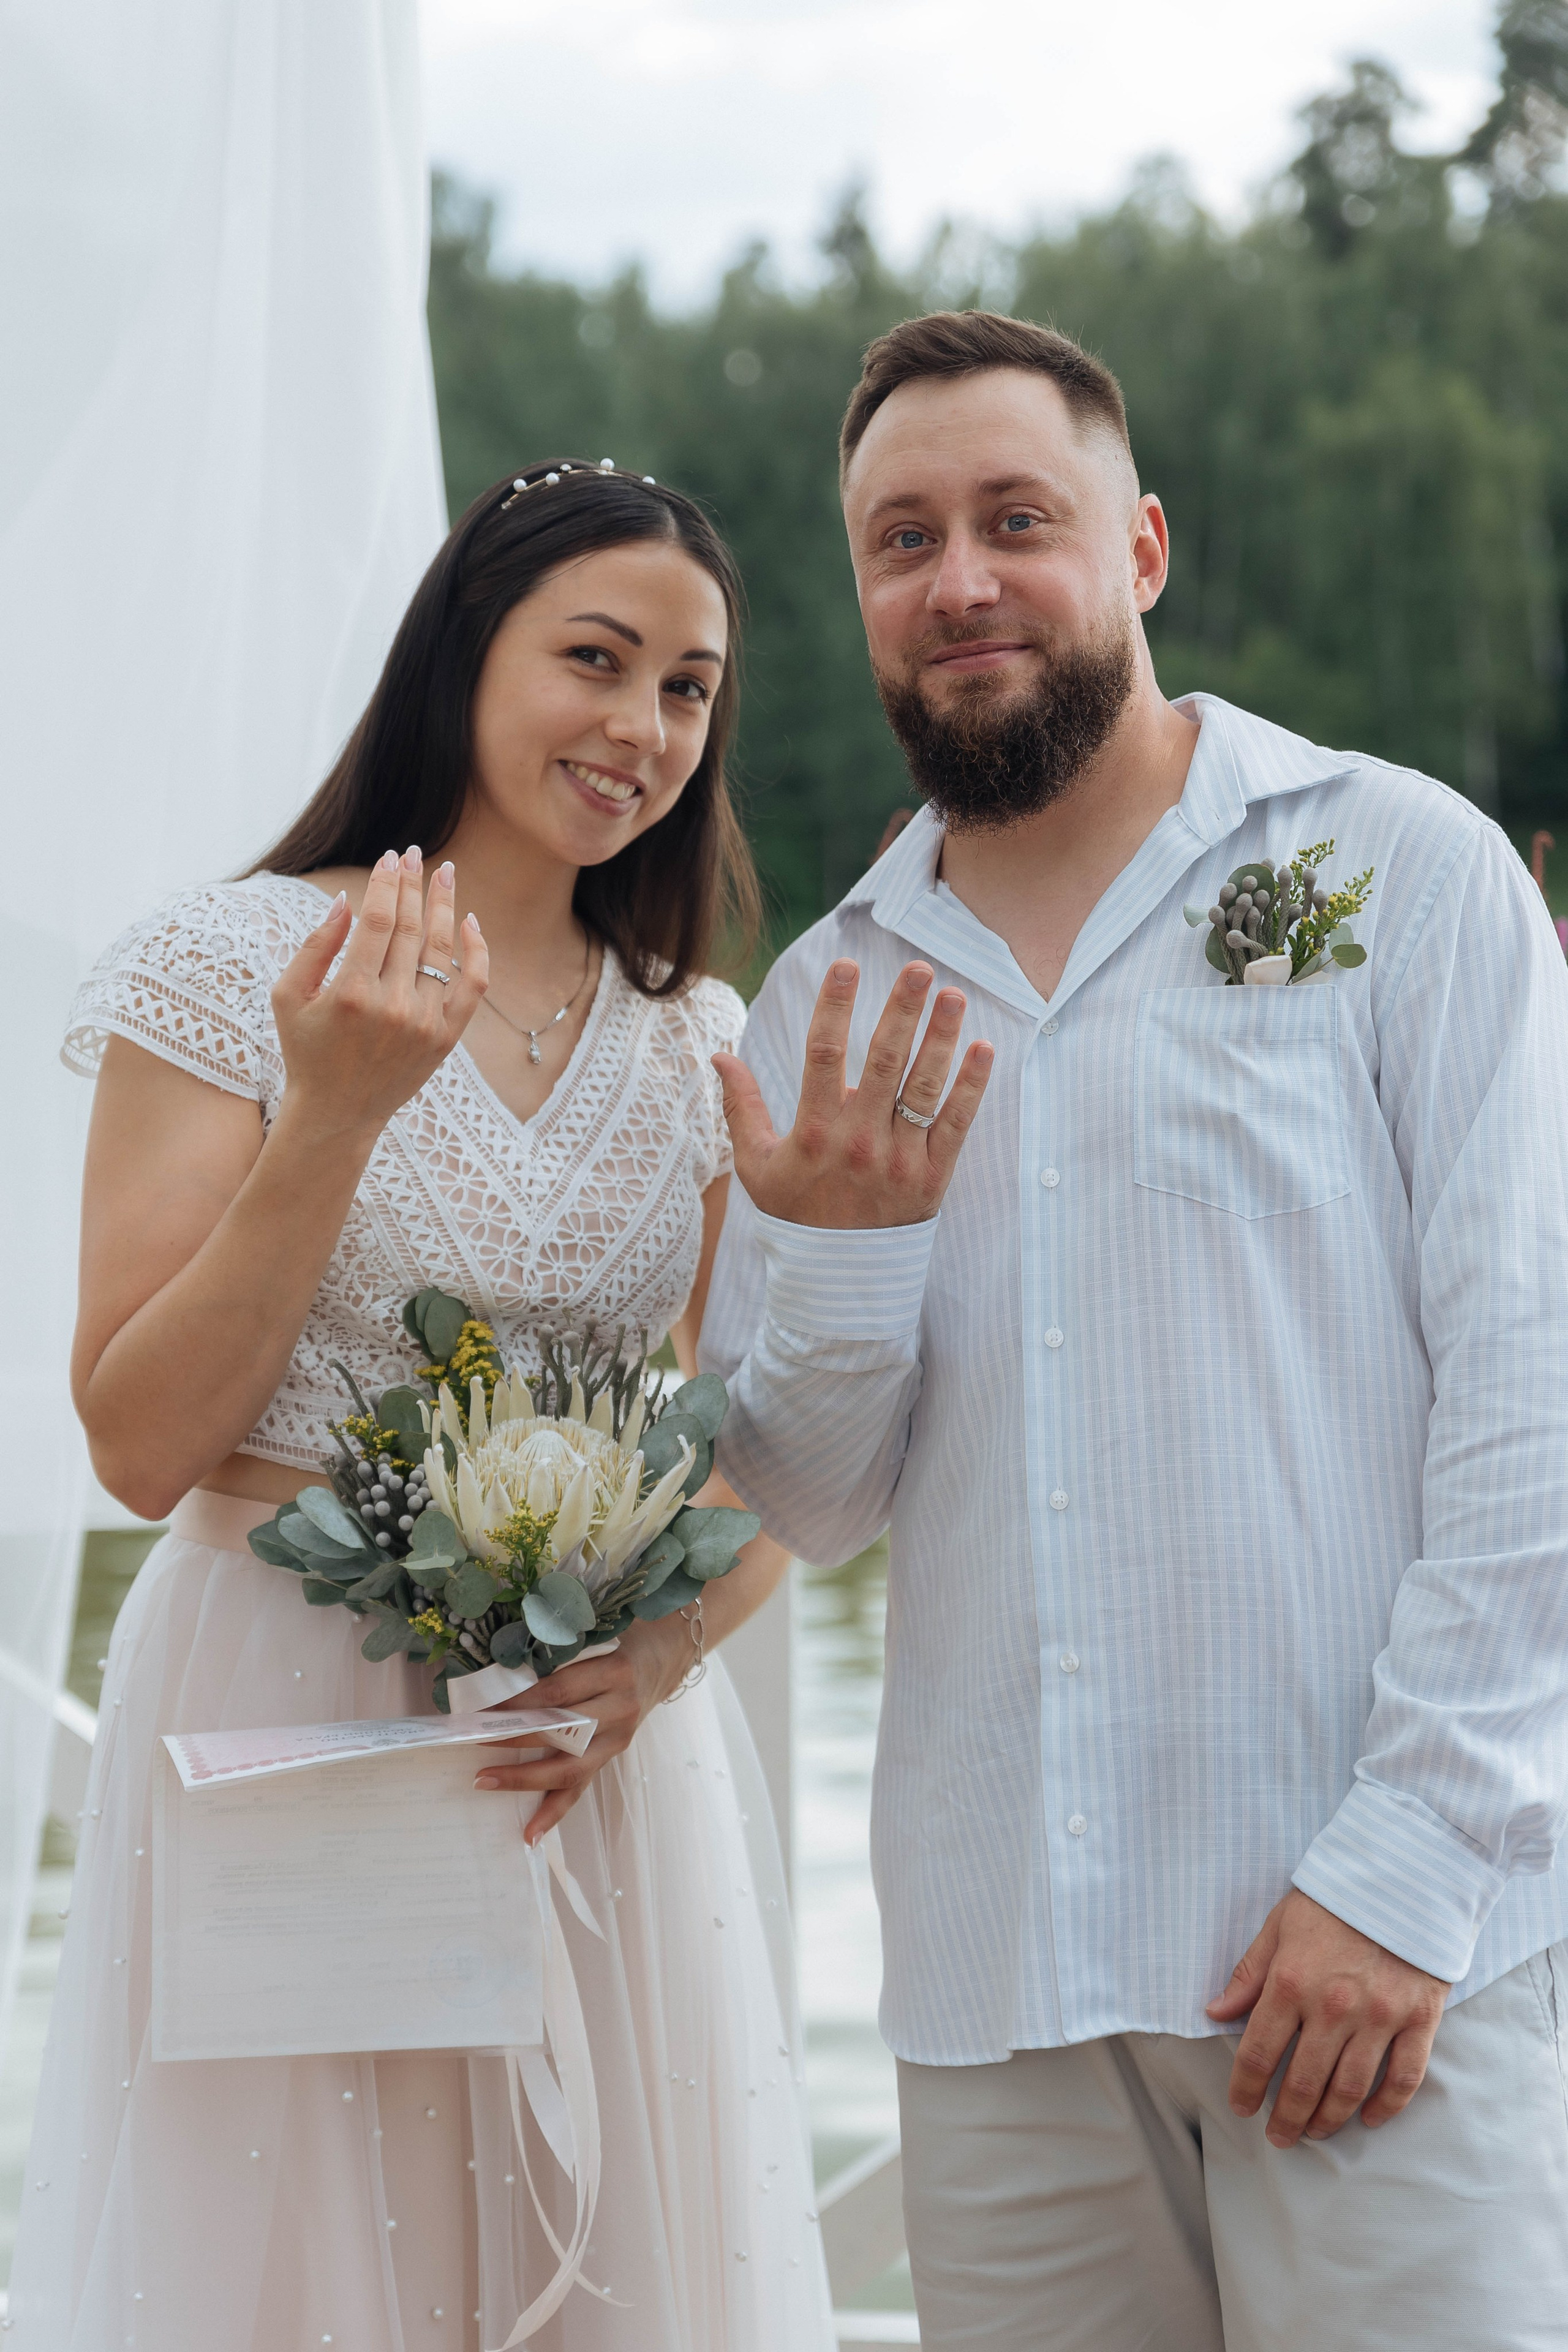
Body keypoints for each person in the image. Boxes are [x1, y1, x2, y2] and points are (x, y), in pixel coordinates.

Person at [699, 310, 1568, 2351]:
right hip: (1005, 1999)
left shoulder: (1400, 873)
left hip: (1363, 1963)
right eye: (903, 540)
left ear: (1145, 548)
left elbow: (1535, 1394)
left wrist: (1417, 1865)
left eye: (1020, 518)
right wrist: (837, 1255)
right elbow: (809, 1511)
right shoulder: (821, 1004)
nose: (962, 579)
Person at [10, 462, 834, 2352]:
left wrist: (656, 1664)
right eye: (597, 660)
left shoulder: (697, 1041)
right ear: (467, 650)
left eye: (691, 690)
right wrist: (338, 1115)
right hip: (274, 1713)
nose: (642, 729)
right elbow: (138, 1444)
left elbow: (773, 1459)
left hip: (581, 1760)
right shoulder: (234, 970)